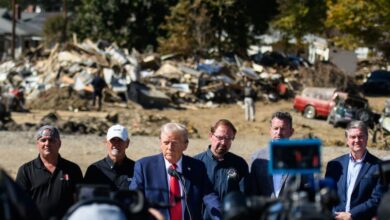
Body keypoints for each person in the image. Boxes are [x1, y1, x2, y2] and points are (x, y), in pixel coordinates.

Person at [130, 122, 221, 220]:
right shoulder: (144, 167)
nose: (169, 147)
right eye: (166, 143)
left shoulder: (197, 167)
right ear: (160, 143)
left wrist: (220, 215)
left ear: (185, 145)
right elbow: (133, 198)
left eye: (174, 143)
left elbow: (209, 196)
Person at [15, 125, 83, 220]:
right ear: (37, 144)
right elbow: (19, 204)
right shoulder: (26, 170)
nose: (47, 143)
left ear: (59, 144)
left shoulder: (73, 169)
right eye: (43, 140)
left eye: (51, 140)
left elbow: (80, 202)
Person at [325, 120, 384, 220]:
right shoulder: (334, 165)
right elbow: (326, 195)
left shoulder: (378, 166)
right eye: (353, 137)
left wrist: (352, 215)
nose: (357, 140)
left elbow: (377, 198)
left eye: (360, 136)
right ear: (347, 140)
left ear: (366, 138)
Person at [194, 119, 248, 219]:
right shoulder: (196, 163)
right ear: (210, 136)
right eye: (220, 137)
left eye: (228, 138)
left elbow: (244, 196)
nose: (223, 142)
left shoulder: (239, 164)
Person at [248, 111, 310, 197]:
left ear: (291, 132)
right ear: (270, 131)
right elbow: (252, 192)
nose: (279, 133)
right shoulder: (257, 158)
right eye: (275, 128)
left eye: (283, 129)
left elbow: (308, 188)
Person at [84, 124, 135, 191]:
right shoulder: (94, 170)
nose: (116, 144)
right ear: (106, 142)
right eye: (112, 140)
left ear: (127, 143)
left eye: (120, 140)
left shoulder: (137, 169)